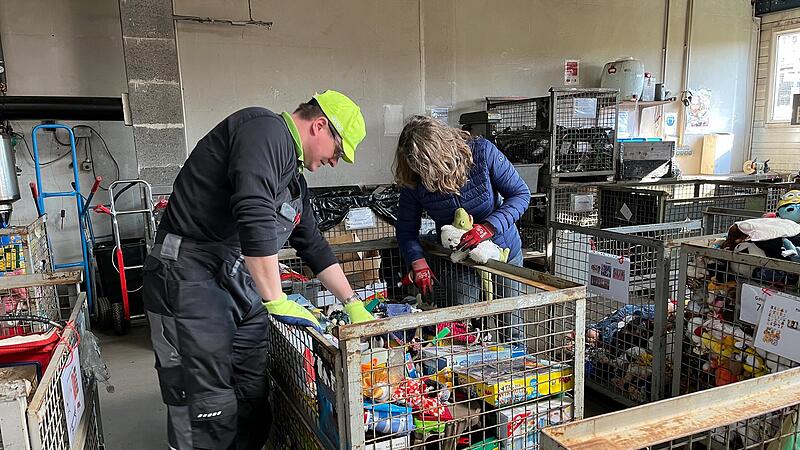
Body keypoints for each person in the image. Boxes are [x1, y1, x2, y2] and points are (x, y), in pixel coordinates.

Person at [142, 90, 374, 450]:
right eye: (338, 151)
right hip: (189, 275)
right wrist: (276, 298)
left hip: (238, 284)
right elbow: (253, 214)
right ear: (320, 126)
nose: (335, 162)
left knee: (251, 396)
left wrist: (352, 303)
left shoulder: (292, 182)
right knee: (207, 403)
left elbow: (312, 243)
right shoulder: (263, 130)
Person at [394, 115, 531, 309]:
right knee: (461, 311)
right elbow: (406, 229)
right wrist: (417, 261)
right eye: (420, 170)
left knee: (510, 316)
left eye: (431, 168)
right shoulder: (413, 179)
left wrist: (489, 227)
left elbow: (521, 194)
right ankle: (477, 336)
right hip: (457, 256)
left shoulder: (482, 152)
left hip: (502, 249)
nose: (428, 177)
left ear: (444, 151)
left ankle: (513, 340)